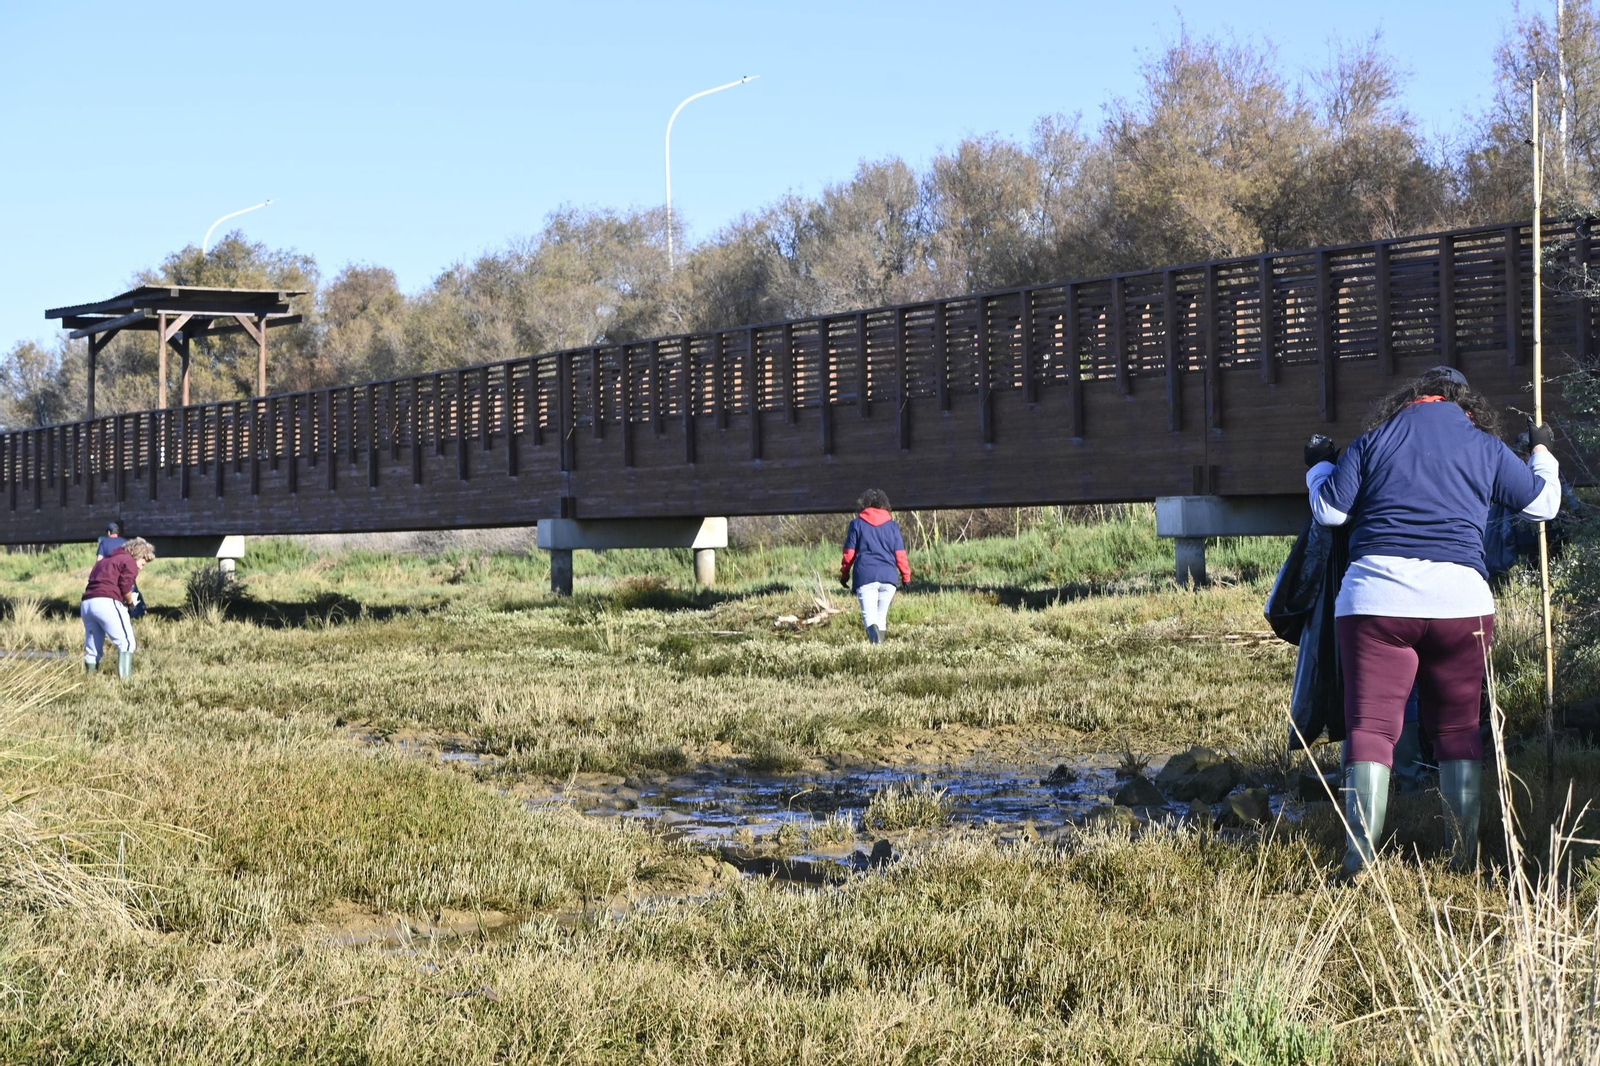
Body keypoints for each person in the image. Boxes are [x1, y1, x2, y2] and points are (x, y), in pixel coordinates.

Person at [1306, 366, 1560, 875]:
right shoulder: (1484, 445)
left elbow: (1330, 513)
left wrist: (1316, 467)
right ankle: (1462, 859)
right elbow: (1542, 506)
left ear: (1413, 398)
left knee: (1372, 728)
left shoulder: (1374, 438)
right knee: (1458, 728)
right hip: (1460, 603)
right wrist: (1542, 453)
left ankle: (1358, 861)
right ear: (1466, 405)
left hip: (1376, 601)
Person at [839, 489, 912, 644]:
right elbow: (900, 554)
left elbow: (849, 554)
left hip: (865, 576)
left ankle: (876, 651)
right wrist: (906, 577)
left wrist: (845, 574)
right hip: (889, 578)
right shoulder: (893, 526)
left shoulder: (856, 524)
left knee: (869, 617)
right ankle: (880, 654)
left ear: (864, 505)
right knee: (881, 617)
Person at [82, 537, 156, 679]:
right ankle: (126, 684)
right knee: (127, 643)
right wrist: (130, 602)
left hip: (87, 604)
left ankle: (89, 680)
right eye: (142, 563)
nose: (141, 567)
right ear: (138, 555)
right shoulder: (128, 561)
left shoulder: (102, 562)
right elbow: (125, 586)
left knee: (93, 648)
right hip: (107, 603)